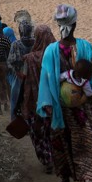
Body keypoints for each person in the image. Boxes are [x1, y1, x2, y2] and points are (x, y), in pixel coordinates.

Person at [37, 4, 92, 182]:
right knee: (88, 143)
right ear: (75, 24)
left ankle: (65, 180)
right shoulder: (85, 47)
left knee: (63, 144)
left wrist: (48, 108)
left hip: (60, 110)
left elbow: (45, 81)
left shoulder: (51, 51)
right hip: (84, 110)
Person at [21, 24, 57, 173]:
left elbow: (23, 78)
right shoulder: (57, 55)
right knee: (54, 132)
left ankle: (47, 160)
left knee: (38, 132)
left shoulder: (29, 58)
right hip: (55, 102)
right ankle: (57, 158)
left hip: (34, 102)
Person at [7, 21, 35, 121]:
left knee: (15, 100)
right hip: (33, 77)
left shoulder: (16, 44)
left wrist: (18, 72)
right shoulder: (35, 43)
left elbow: (10, 62)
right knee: (30, 100)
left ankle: (16, 122)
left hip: (18, 77)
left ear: (20, 31)